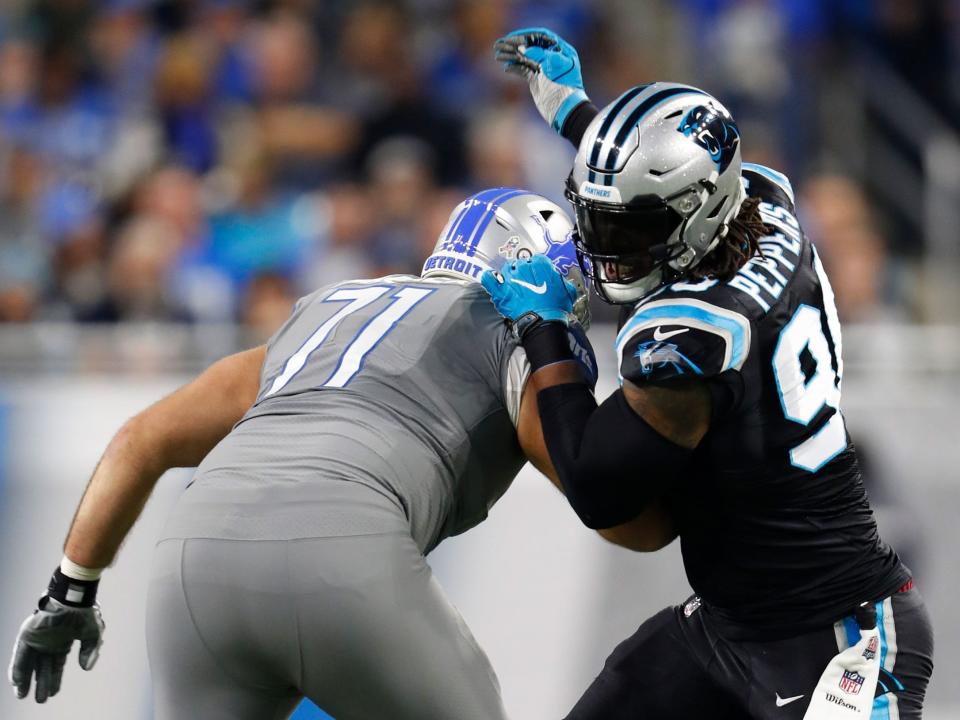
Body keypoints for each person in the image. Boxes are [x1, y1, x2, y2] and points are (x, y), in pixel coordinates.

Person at [8, 188, 660, 719]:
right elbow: (614, 511)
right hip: (344, 550)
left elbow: (138, 441)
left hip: (194, 558)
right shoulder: (514, 332)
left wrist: (70, 590)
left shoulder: (324, 310)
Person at [485, 29, 934, 720]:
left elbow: (597, 485)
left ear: (702, 216)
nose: (608, 249)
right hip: (731, 625)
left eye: (627, 232)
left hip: (840, 641)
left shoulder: (697, 338)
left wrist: (543, 330)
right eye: (599, 222)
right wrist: (578, 114)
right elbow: (656, 185)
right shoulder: (765, 203)